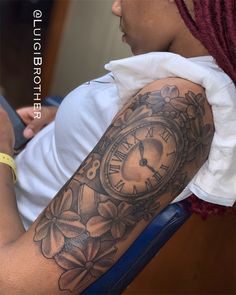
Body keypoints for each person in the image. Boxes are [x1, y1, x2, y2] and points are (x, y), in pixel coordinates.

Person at [0, 0, 235, 293]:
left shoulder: (172, 105)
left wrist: (2, 153)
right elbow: (113, 119)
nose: (116, 8)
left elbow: (13, 284)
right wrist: (60, 118)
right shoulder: (174, 72)